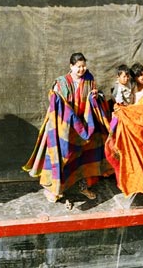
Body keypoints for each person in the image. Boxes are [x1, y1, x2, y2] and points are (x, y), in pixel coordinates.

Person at [24, 53, 112, 205]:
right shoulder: (61, 83)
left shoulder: (89, 80)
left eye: (83, 66)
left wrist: (96, 96)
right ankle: (54, 190)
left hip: (85, 126)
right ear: (71, 66)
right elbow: (55, 103)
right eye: (78, 67)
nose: (81, 69)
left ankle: (83, 187)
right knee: (62, 157)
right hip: (64, 127)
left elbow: (97, 96)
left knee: (83, 158)